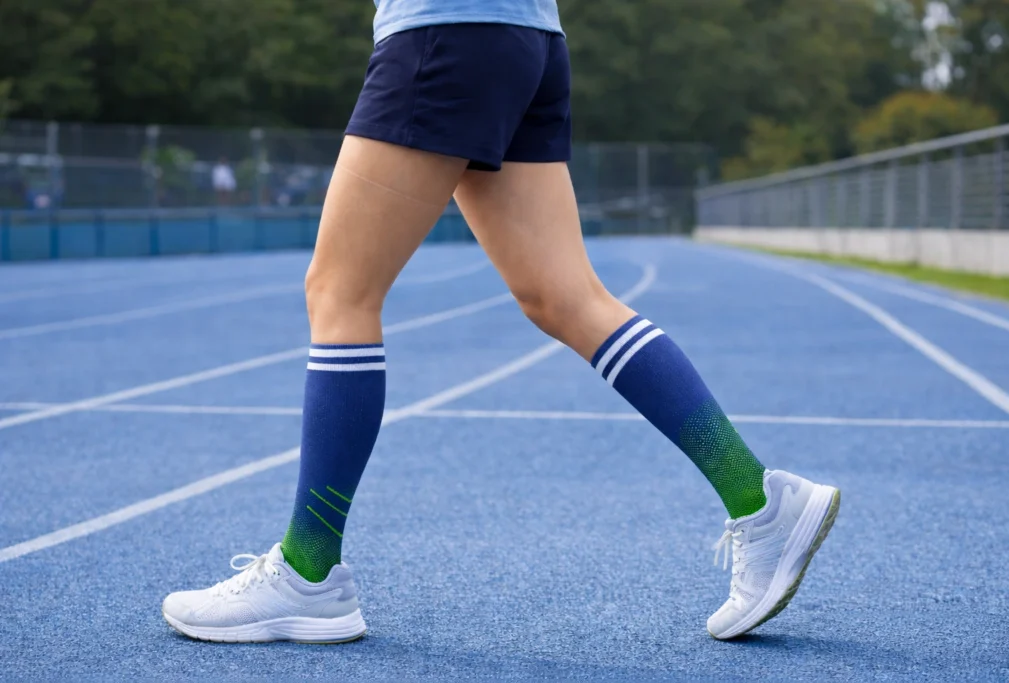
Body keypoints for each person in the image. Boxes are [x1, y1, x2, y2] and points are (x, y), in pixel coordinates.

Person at [162, 0, 840, 644]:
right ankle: (760, 501)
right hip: (528, 37)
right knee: (565, 296)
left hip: (444, 33)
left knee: (340, 292)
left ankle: (309, 571)